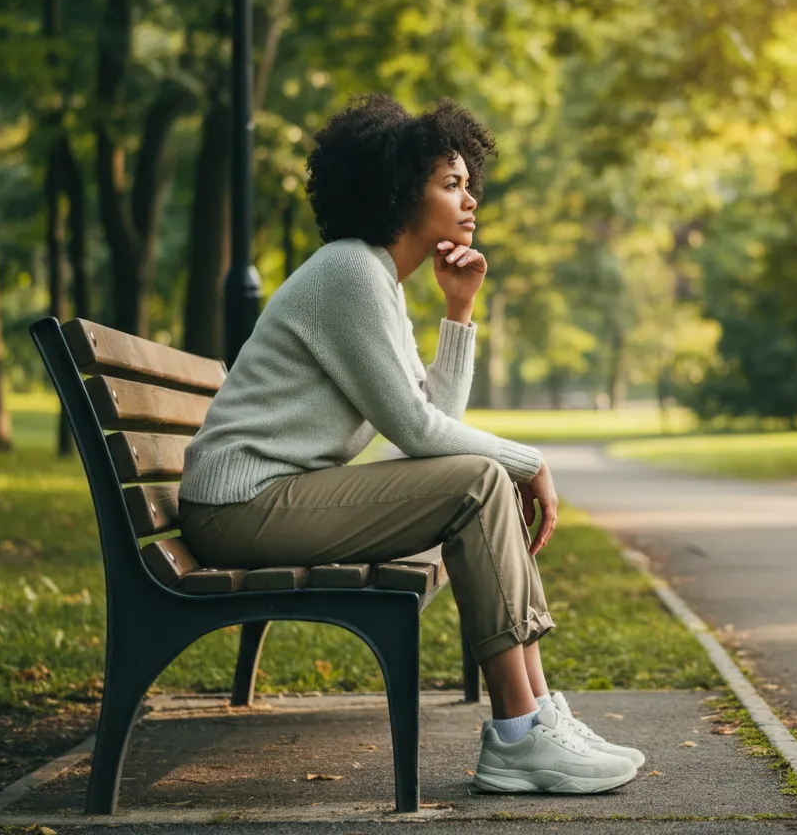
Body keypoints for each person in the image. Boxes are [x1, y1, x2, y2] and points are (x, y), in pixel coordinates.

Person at [178, 93, 645, 794]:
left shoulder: (376, 280)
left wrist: (458, 310)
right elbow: (426, 435)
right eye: (450, 184)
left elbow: (431, 422)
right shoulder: (349, 273)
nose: (470, 200)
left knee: (475, 475)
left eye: (468, 183)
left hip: (265, 499)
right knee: (480, 479)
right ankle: (520, 735)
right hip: (239, 508)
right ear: (399, 188)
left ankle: (537, 718)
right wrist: (532, 460)